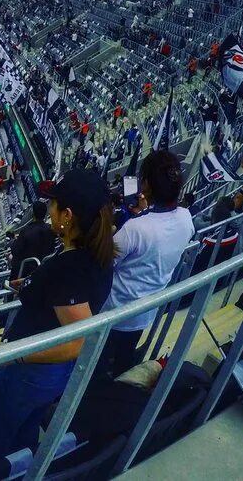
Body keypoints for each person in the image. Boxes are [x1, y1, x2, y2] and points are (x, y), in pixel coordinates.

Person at [0, 169, 114, 476]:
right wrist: (33, 283)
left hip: (30, 372)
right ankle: (16, 473)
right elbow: (62, 298)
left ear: (67, 215)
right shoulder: (94, 258)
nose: (48, 209)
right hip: (48, 375)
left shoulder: (69, 269)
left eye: (53, 205)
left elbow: (78, 340)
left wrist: (17, 355)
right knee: (23, 434)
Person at [100, 151, 195, 376]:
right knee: (124, 361)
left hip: (112, 313)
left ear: (147, 186)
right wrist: (145, 214)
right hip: (144, 313)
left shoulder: (135, 230)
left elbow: (102, 262)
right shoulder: (186, 217)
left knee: (97, 367)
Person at [8, 201, 58, 286]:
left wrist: (13, 241)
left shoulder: (26, 231)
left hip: (25, 270)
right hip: (43, 267)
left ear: (33, 213)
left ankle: (9, 295)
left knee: (11, 258)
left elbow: (15, 250)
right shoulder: (51, 230)